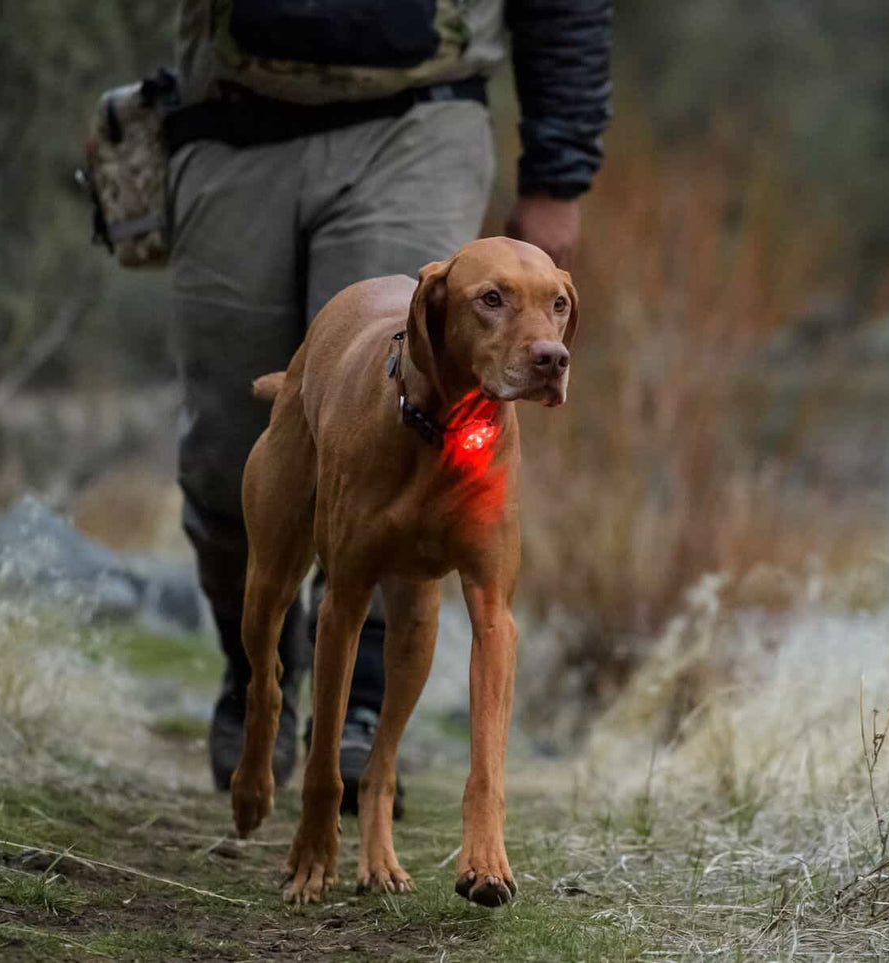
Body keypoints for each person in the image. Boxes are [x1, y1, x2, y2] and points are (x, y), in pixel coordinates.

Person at [166, 0, 612, 809]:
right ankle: (256, 668)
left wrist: (558, 173)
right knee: (232, 443)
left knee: (412, 421)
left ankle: (362, 717)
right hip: (231, 115)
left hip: (416, 115)